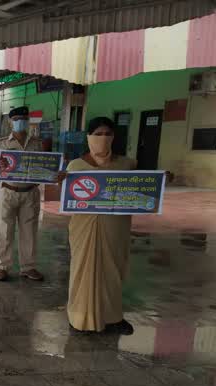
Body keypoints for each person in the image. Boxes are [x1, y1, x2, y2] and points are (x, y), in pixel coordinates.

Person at [66, 117, 136, 336]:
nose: (103, 139)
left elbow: (142, 188)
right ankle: (80, 317)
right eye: (98, 134)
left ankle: (113, 317)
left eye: (108, 134)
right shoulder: (75, 166)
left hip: (116, 226)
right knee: (82, 268)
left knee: (113, 270)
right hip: (84, 227)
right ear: (88, 137)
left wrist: (162, 181)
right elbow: (68, 197)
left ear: (114, 137)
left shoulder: (127, 164)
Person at [0, 106, 45, 282]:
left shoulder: (37, 144)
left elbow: (43, 166)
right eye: (16, 119)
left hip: (30, 192)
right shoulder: (0, 144)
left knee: (29, 231)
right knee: (3, 230)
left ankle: (28, 267)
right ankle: (1, 267)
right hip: (7, 191)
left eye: (23, 118)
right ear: (10, 122)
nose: (19, 122)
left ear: (28, 121)